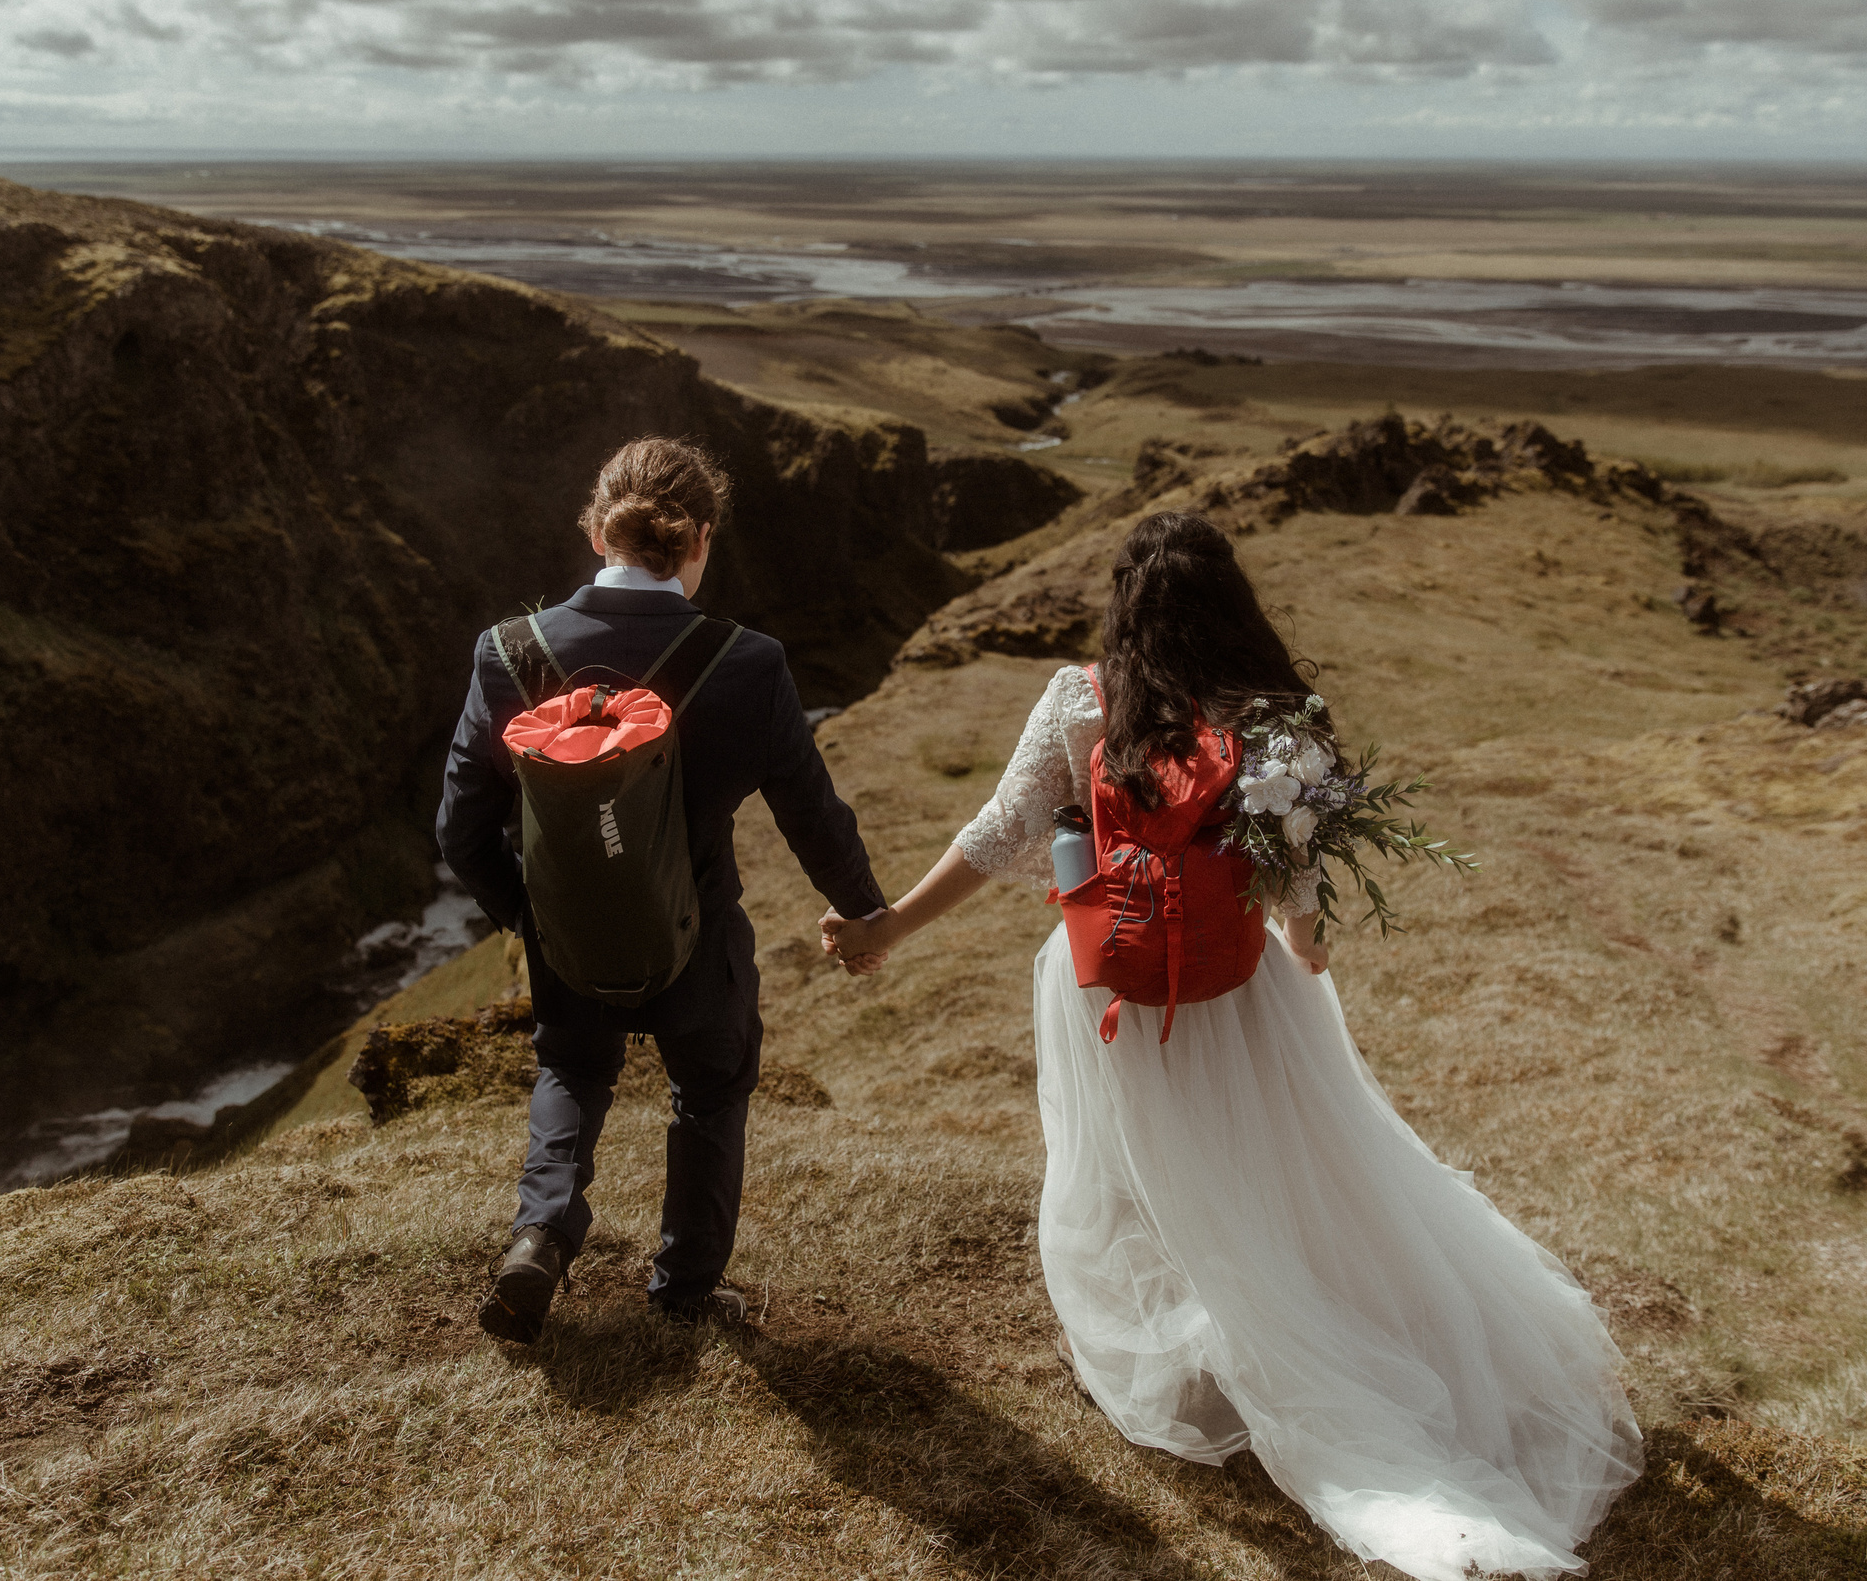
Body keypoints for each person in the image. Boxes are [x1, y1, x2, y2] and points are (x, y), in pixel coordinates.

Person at [820, 510, 1642, 1581]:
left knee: (1122, 1178)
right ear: (1233, 606)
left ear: (1124, 607)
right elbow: (1300, 910)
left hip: (1108, 989)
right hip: (1240, 988)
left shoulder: (1084, 702)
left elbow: (1002, 829)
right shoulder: (1280, 720)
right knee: (1280, 1174)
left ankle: (1181, 1357)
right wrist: (1306, 941)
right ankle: (1307, 1338)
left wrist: (889, 928)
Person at [439, 436, 888, 1342]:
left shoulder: (508, 651)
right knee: (711, 1089)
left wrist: (534, 917)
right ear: (700, 539)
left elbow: (458, 830)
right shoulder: (749, 662)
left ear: (596, 527)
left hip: (569, 940)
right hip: (699, 942)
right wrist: (865, 913)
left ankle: (539, 1237)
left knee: (572, 1068)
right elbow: (813, 814)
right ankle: (685, 1286)